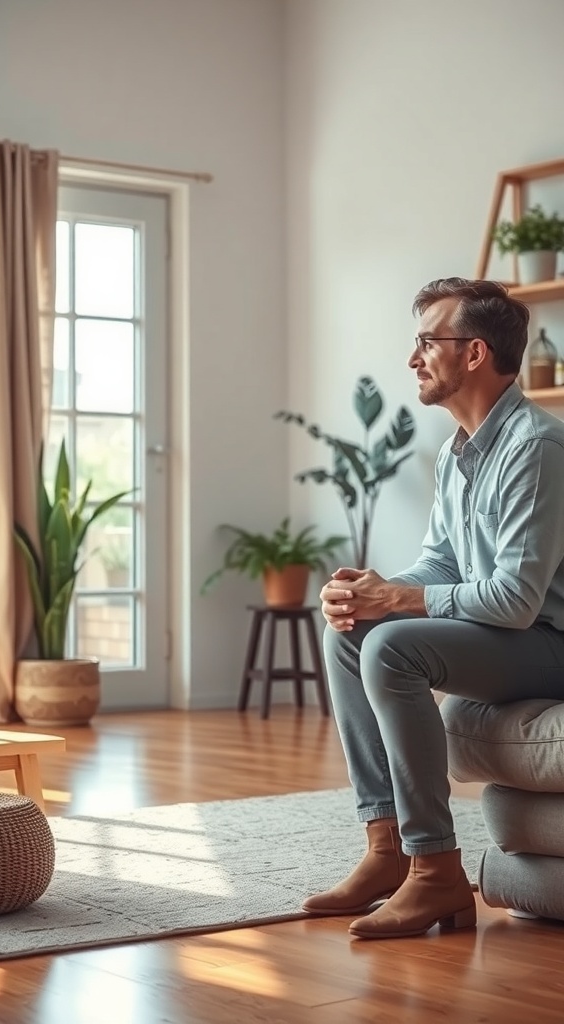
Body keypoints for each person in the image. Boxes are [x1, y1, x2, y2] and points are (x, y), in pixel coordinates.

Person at [303, 277, 564, 940]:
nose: (413, 358)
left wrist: (402, 601)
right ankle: (387, 846)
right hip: (508, 639)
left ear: (473, 354)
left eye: (428, 342)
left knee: (394, 646)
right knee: (353, 632)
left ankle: (434, 868)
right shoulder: (457, 452)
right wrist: (377, 591)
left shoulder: (536, 449)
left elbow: (512, 600)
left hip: (548, 643)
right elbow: (445, 564)